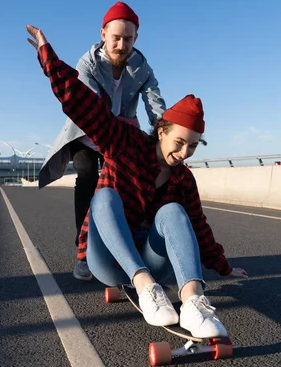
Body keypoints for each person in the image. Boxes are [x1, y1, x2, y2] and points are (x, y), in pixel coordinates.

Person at [26, 25, 248, 338]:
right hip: (107, 260)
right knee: (104, 197)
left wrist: (224, 266)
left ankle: (193, 303)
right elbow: (82, 103)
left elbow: (198, 227)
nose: (184, 153)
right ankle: (145, 288)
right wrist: (47, 56)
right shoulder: (124, 142)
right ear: (162, 131)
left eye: (193, 146)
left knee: (174, 211)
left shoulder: (182, 178)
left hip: (152, 261)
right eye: (179, 142)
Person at [36, 1, 167, 281]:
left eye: (128, 39)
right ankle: (83, 255)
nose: (121, 45)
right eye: (116, 38)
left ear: (136, 38)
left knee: (121, 187)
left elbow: (154, 101)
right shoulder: (88, 62)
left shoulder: (142, 67)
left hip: (121, 138)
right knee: (86, 177)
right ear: (103, 34)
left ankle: (126, 245)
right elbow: (91, 107)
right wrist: (125, 125)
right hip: (89, 132)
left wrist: (163, 132)